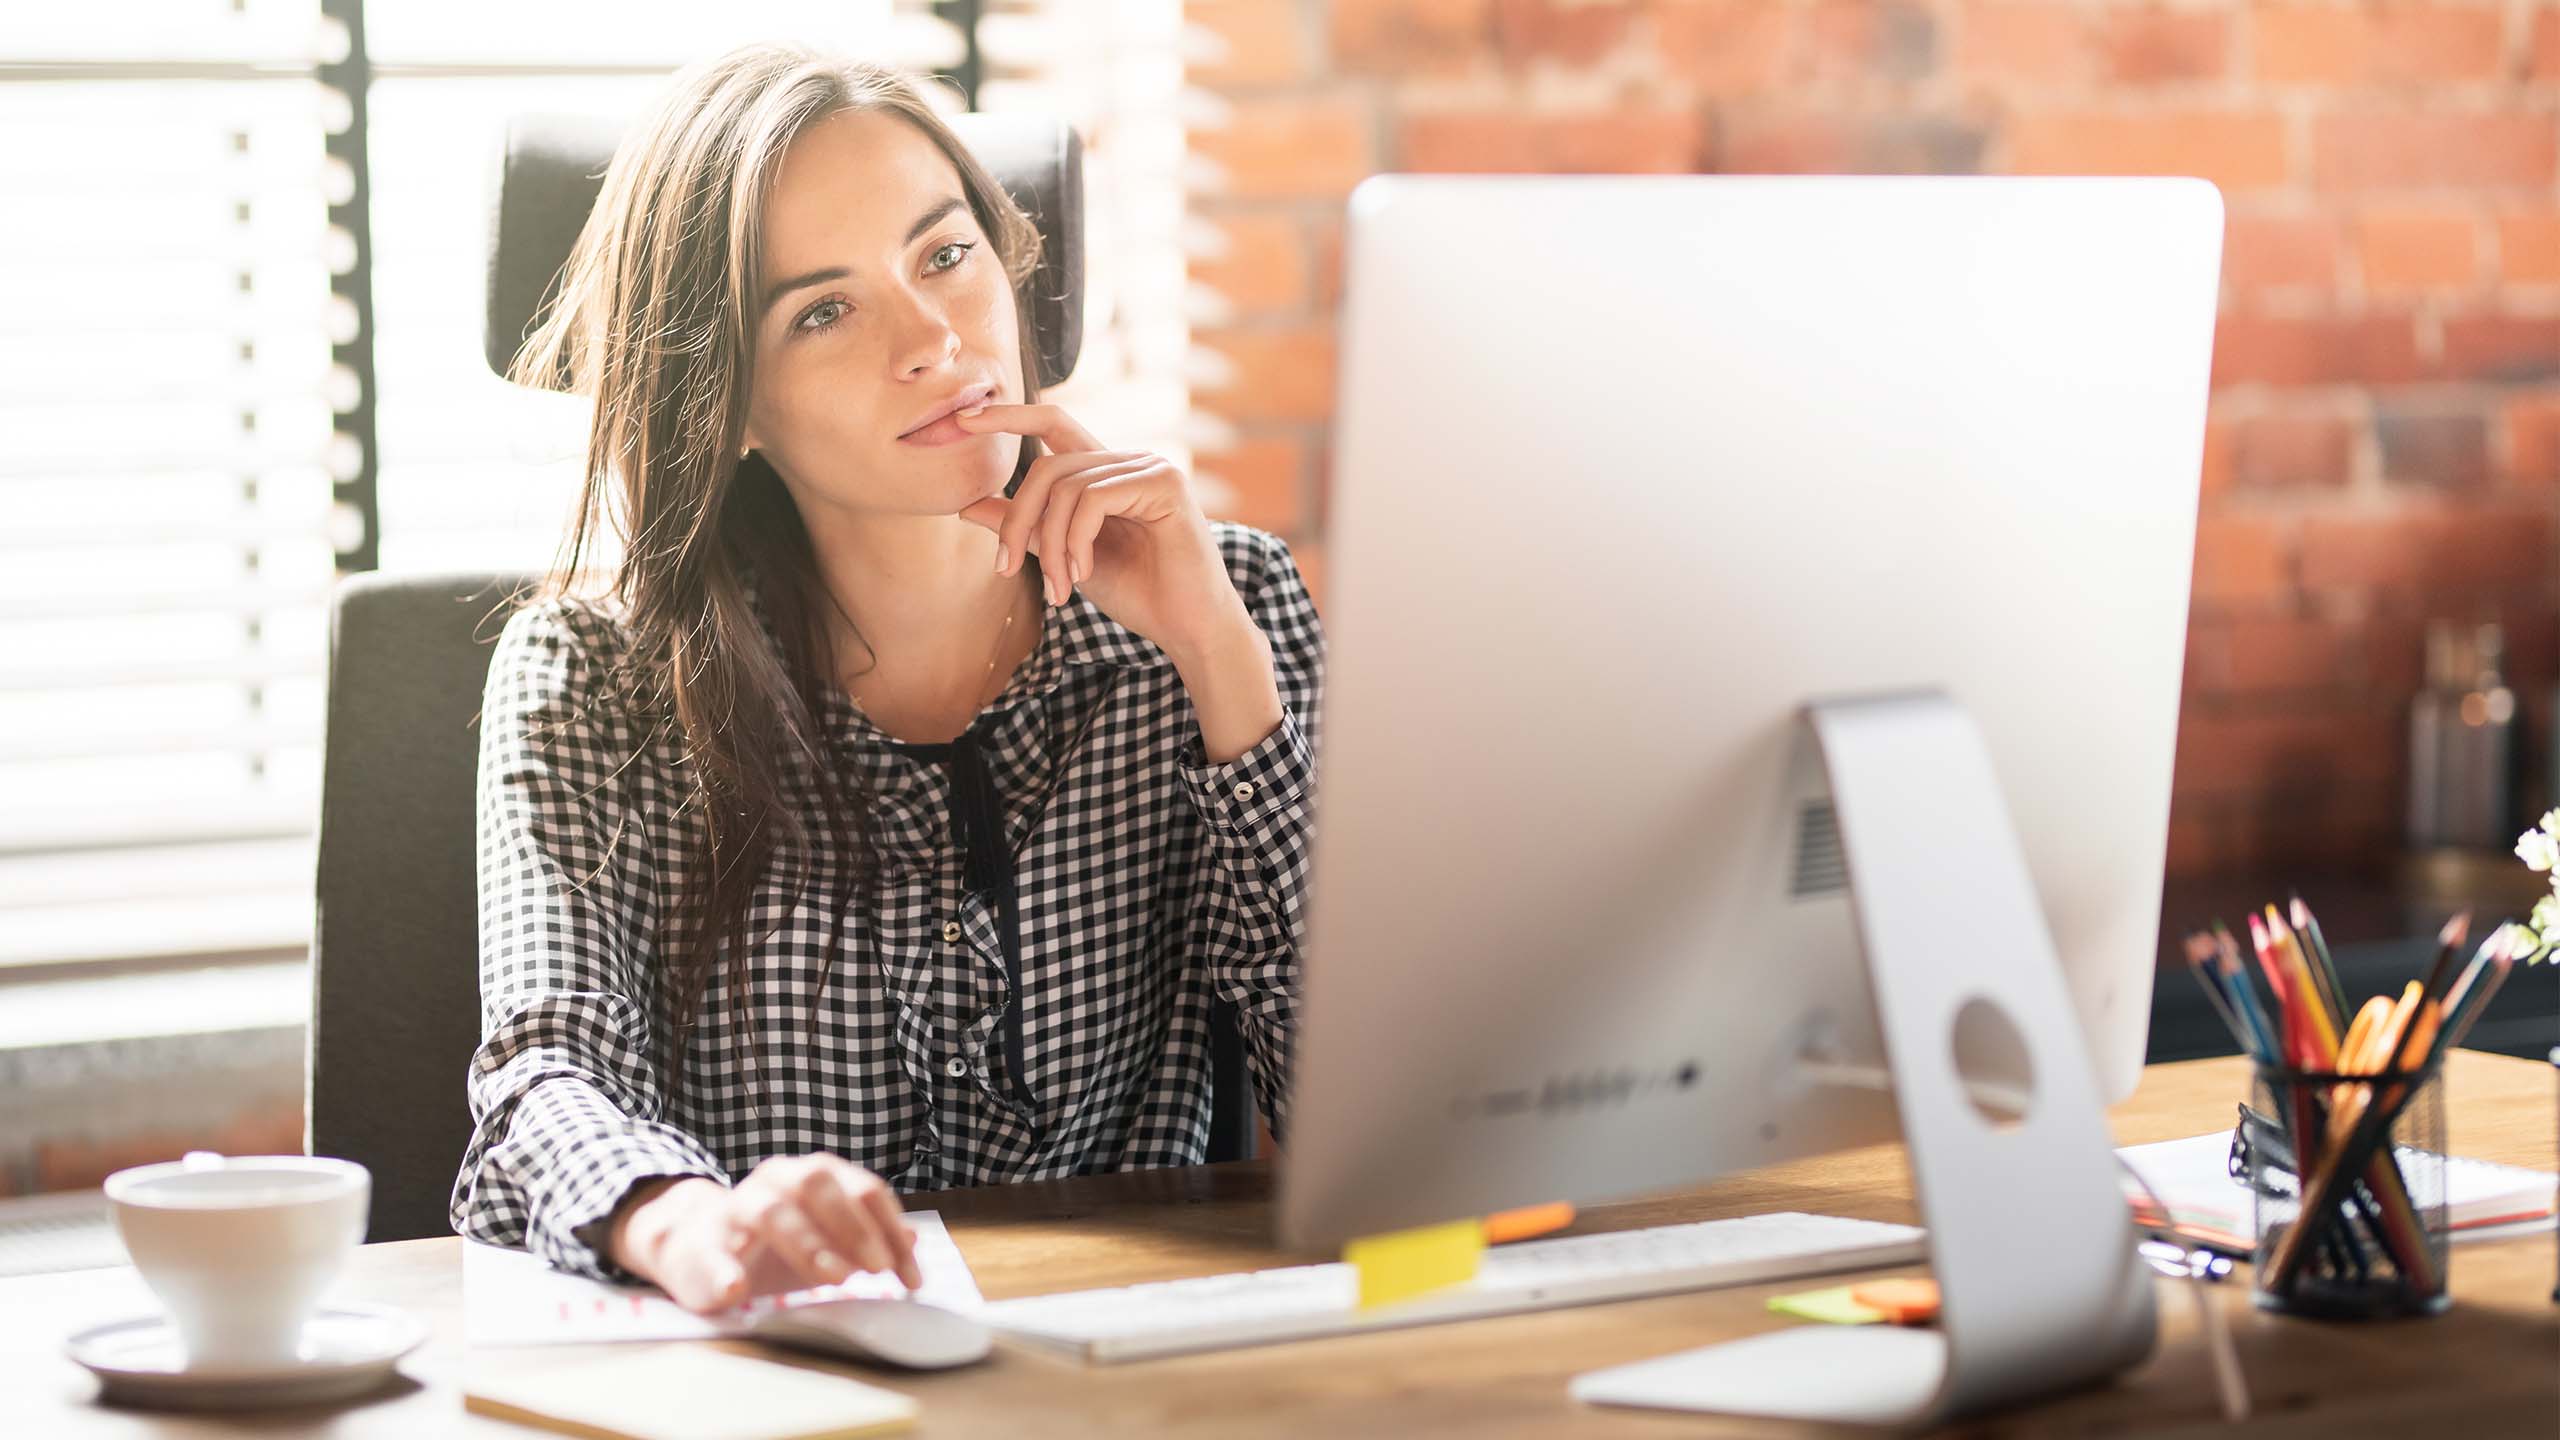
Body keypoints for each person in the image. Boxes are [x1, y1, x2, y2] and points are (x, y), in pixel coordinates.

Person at [449, 43, 1322, 1316]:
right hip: (781, 1364)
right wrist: (700, 1228)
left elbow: (1366, 1102)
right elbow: (544, 1077)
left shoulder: (1221, 605)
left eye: (945, 255)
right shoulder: (594, 675)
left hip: (1125, 1372)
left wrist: (1217, 657)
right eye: (822, 309)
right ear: (729, 399)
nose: (933, 341)